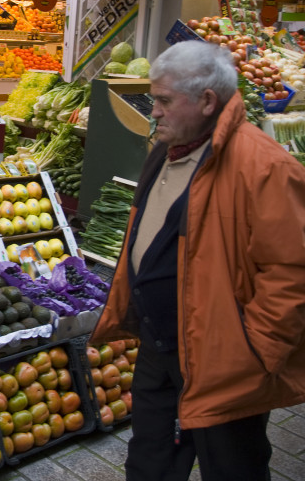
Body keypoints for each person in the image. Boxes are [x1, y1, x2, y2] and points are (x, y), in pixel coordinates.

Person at [89, 40, 305, 481]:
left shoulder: (265, 167)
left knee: (232, 467)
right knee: (149, 462)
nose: (154, 112)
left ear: (207, 101)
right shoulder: (167, 152)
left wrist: (254, 354)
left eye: (164, 101)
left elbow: (291, 273)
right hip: (160, 347)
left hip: (225, 360)